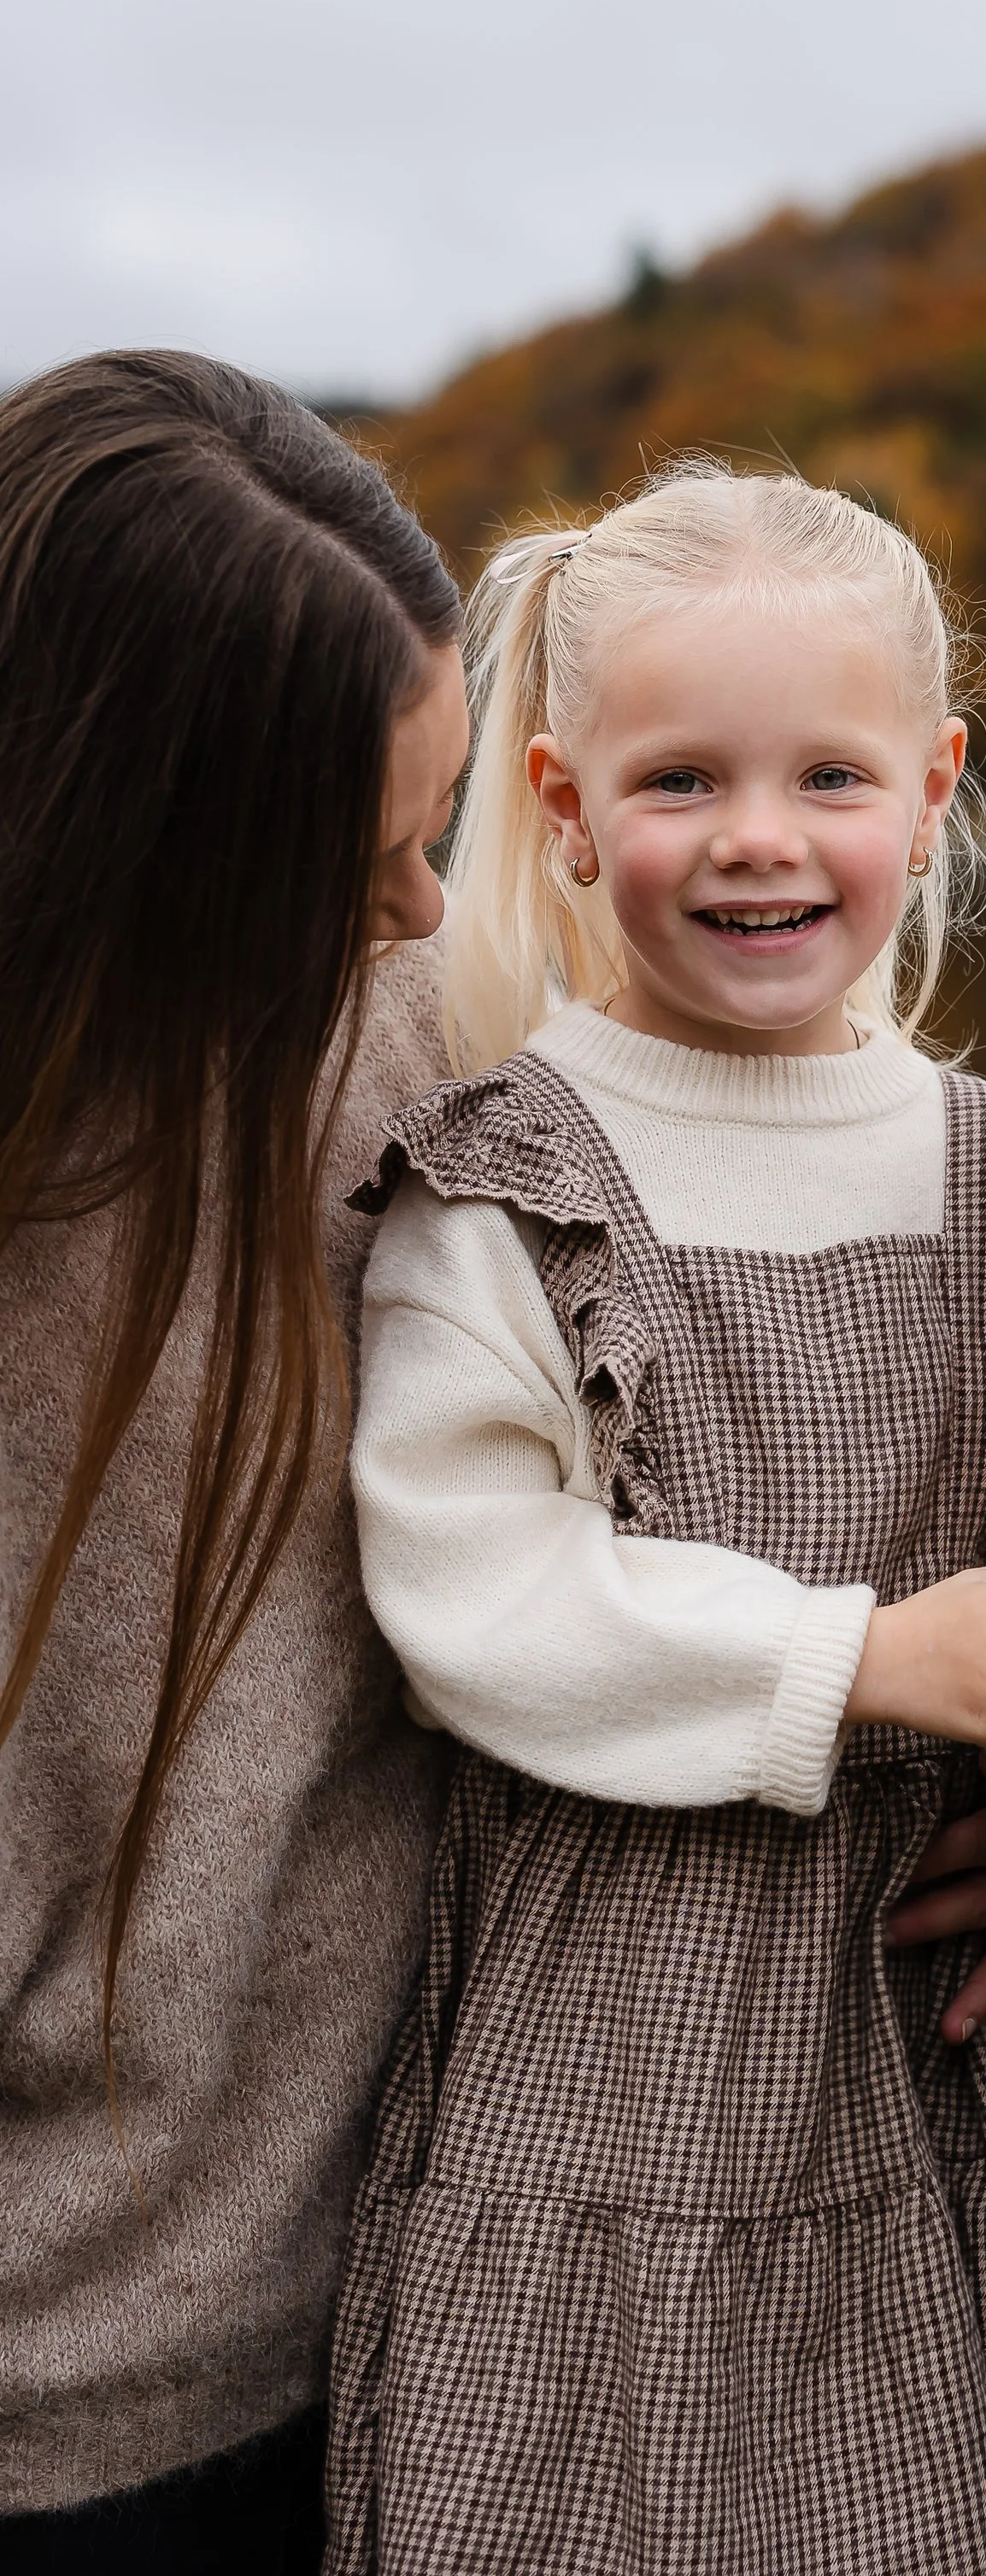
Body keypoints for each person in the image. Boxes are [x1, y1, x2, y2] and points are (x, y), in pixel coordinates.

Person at [326, 464, 986, 2575]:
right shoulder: (513, 1175)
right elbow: (472, 1586)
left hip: (886, 2052)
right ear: (567, 803)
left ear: (935, 786)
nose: (760, 837)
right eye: (680, 778)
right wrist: (870, 1661)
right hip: (592, 2059)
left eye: (829, 775)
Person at [0, 351, 466, 2570]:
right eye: (351, 865)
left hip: (408, 2341)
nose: (429, 917)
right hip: (67, 2449)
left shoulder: (404, 1060)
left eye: (438, 825)